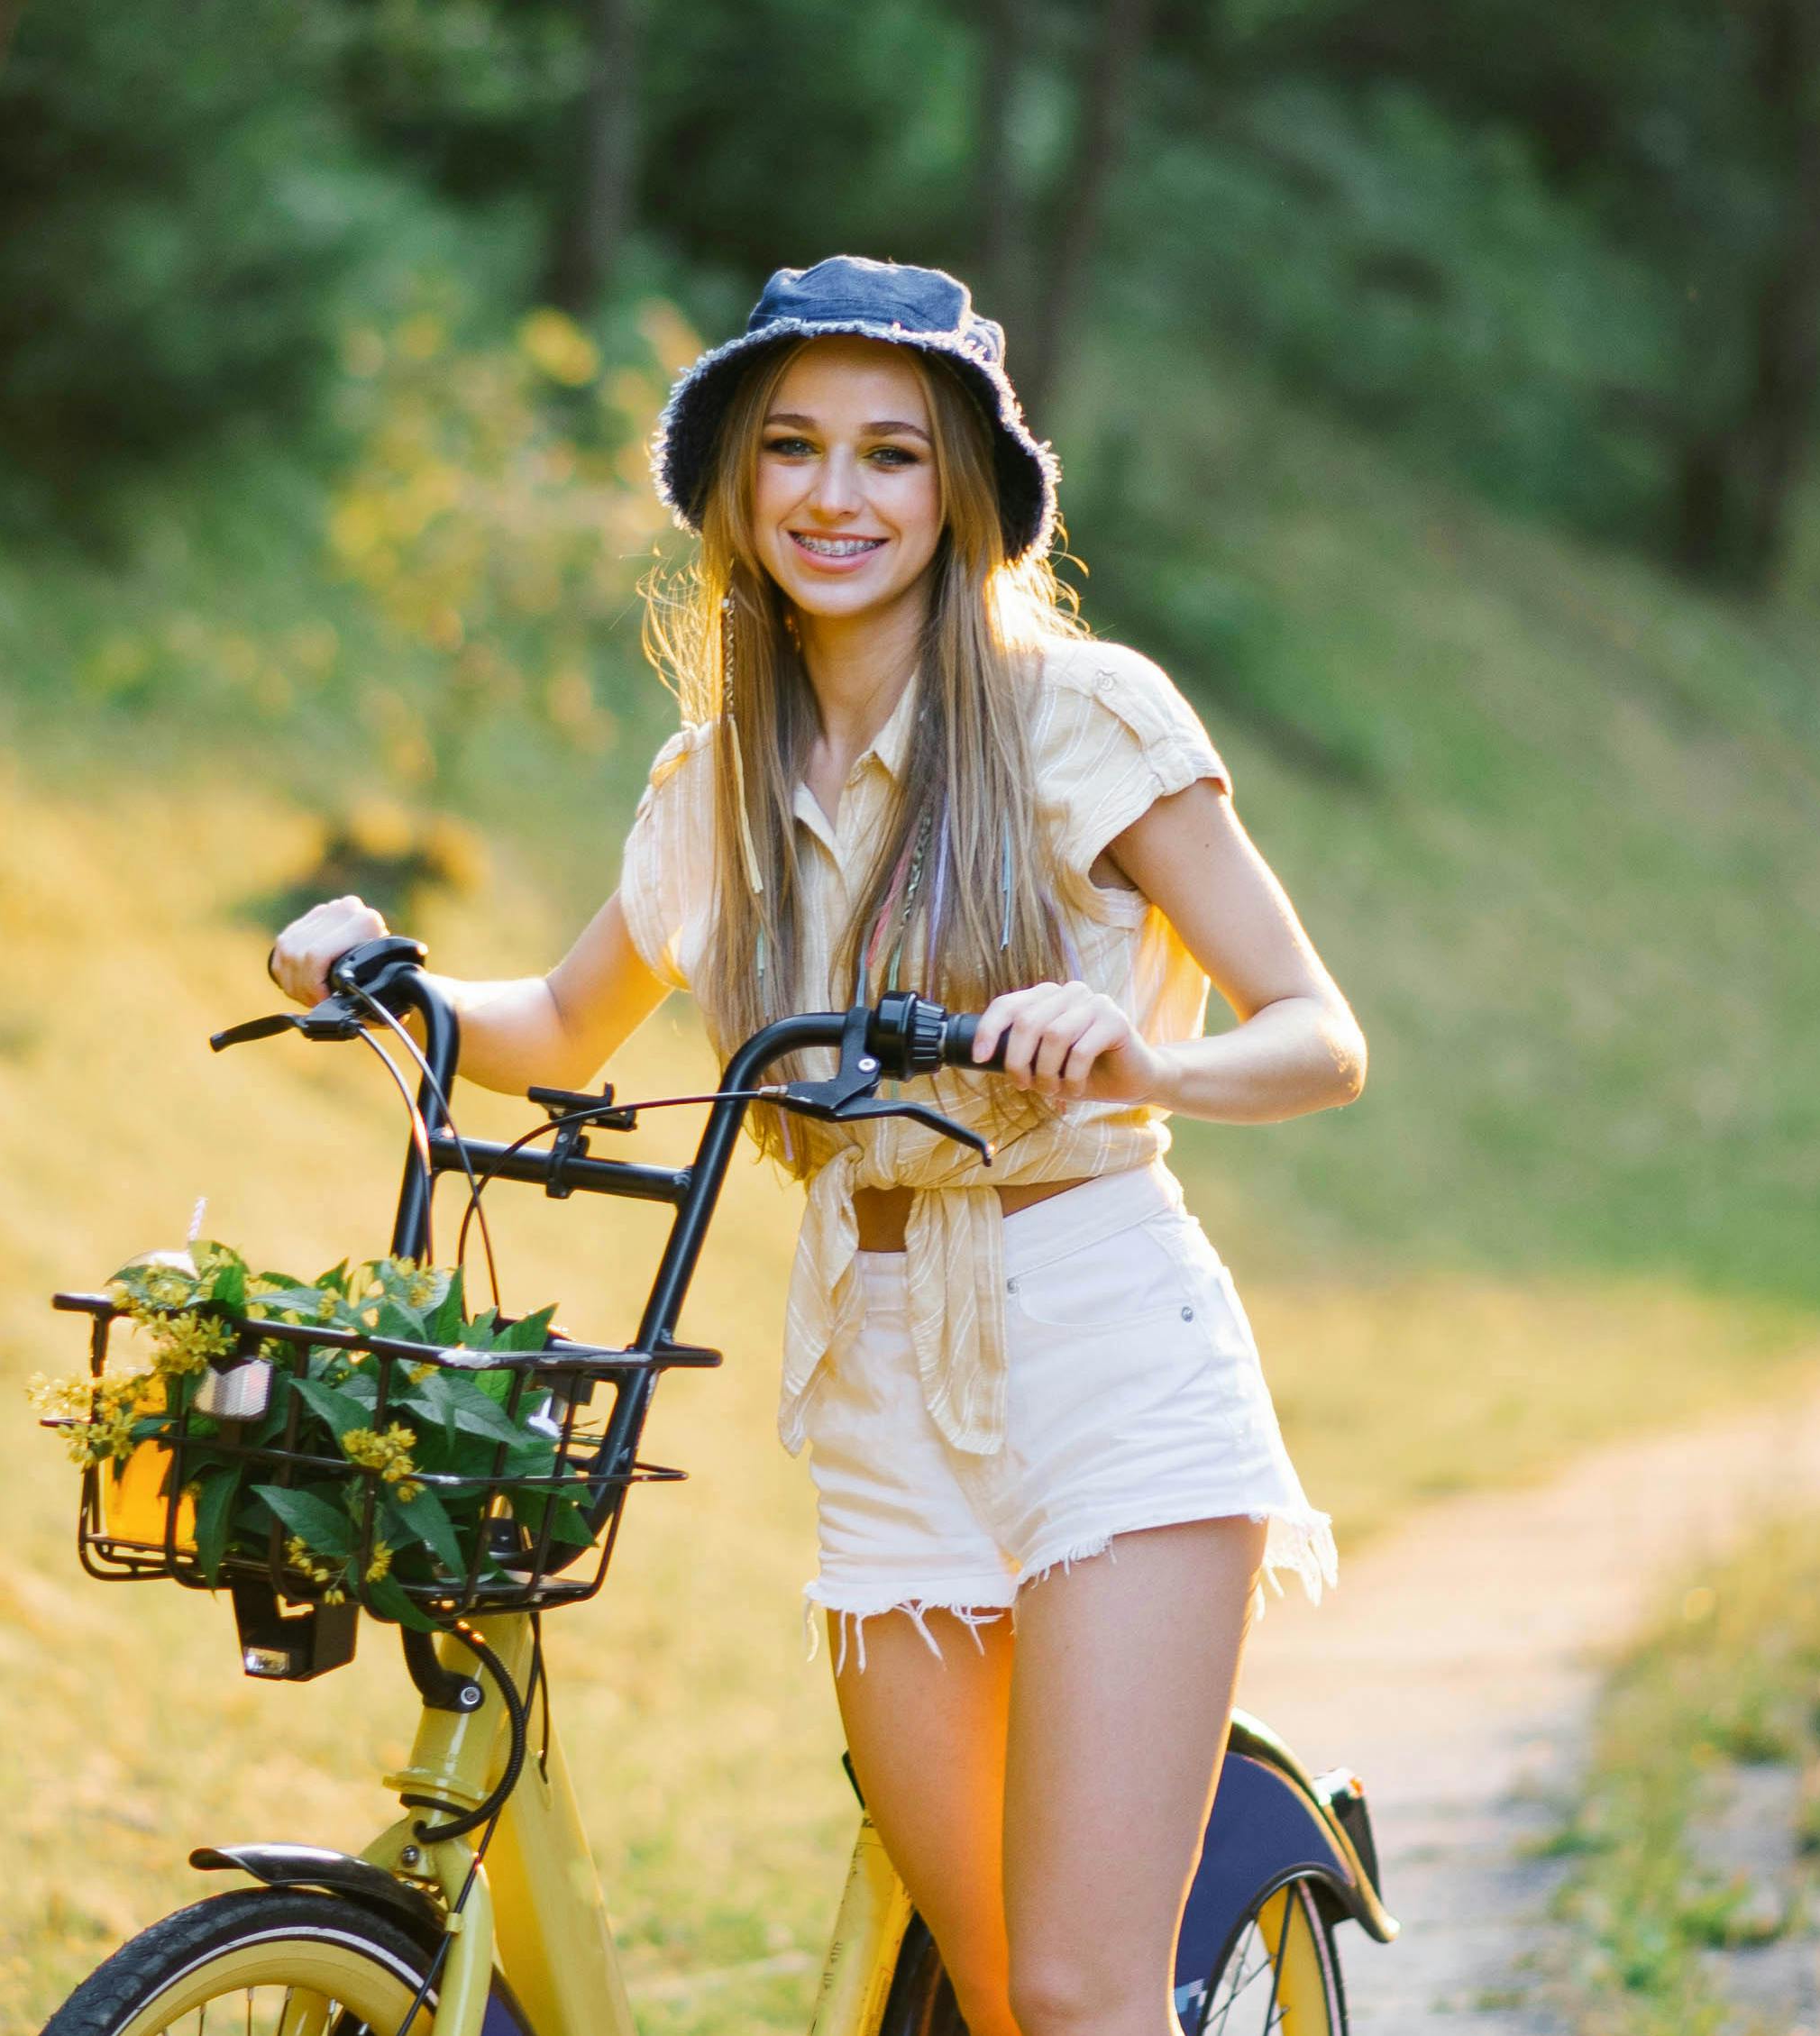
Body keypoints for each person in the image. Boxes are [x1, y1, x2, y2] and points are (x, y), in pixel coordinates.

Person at [266, 255, 1365, 2036]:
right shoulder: (707, 789)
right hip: (872, 1381)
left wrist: (1136, 1049)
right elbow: (556, 1025)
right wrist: (382, 967)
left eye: (891, 454)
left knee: (1089, 1989)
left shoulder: (1082, 718)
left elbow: (1319, 1034)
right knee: (998, 1985)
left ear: (964, 495)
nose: (836, 497)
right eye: (792, 449)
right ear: (732, 484)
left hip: (1101, 1340)